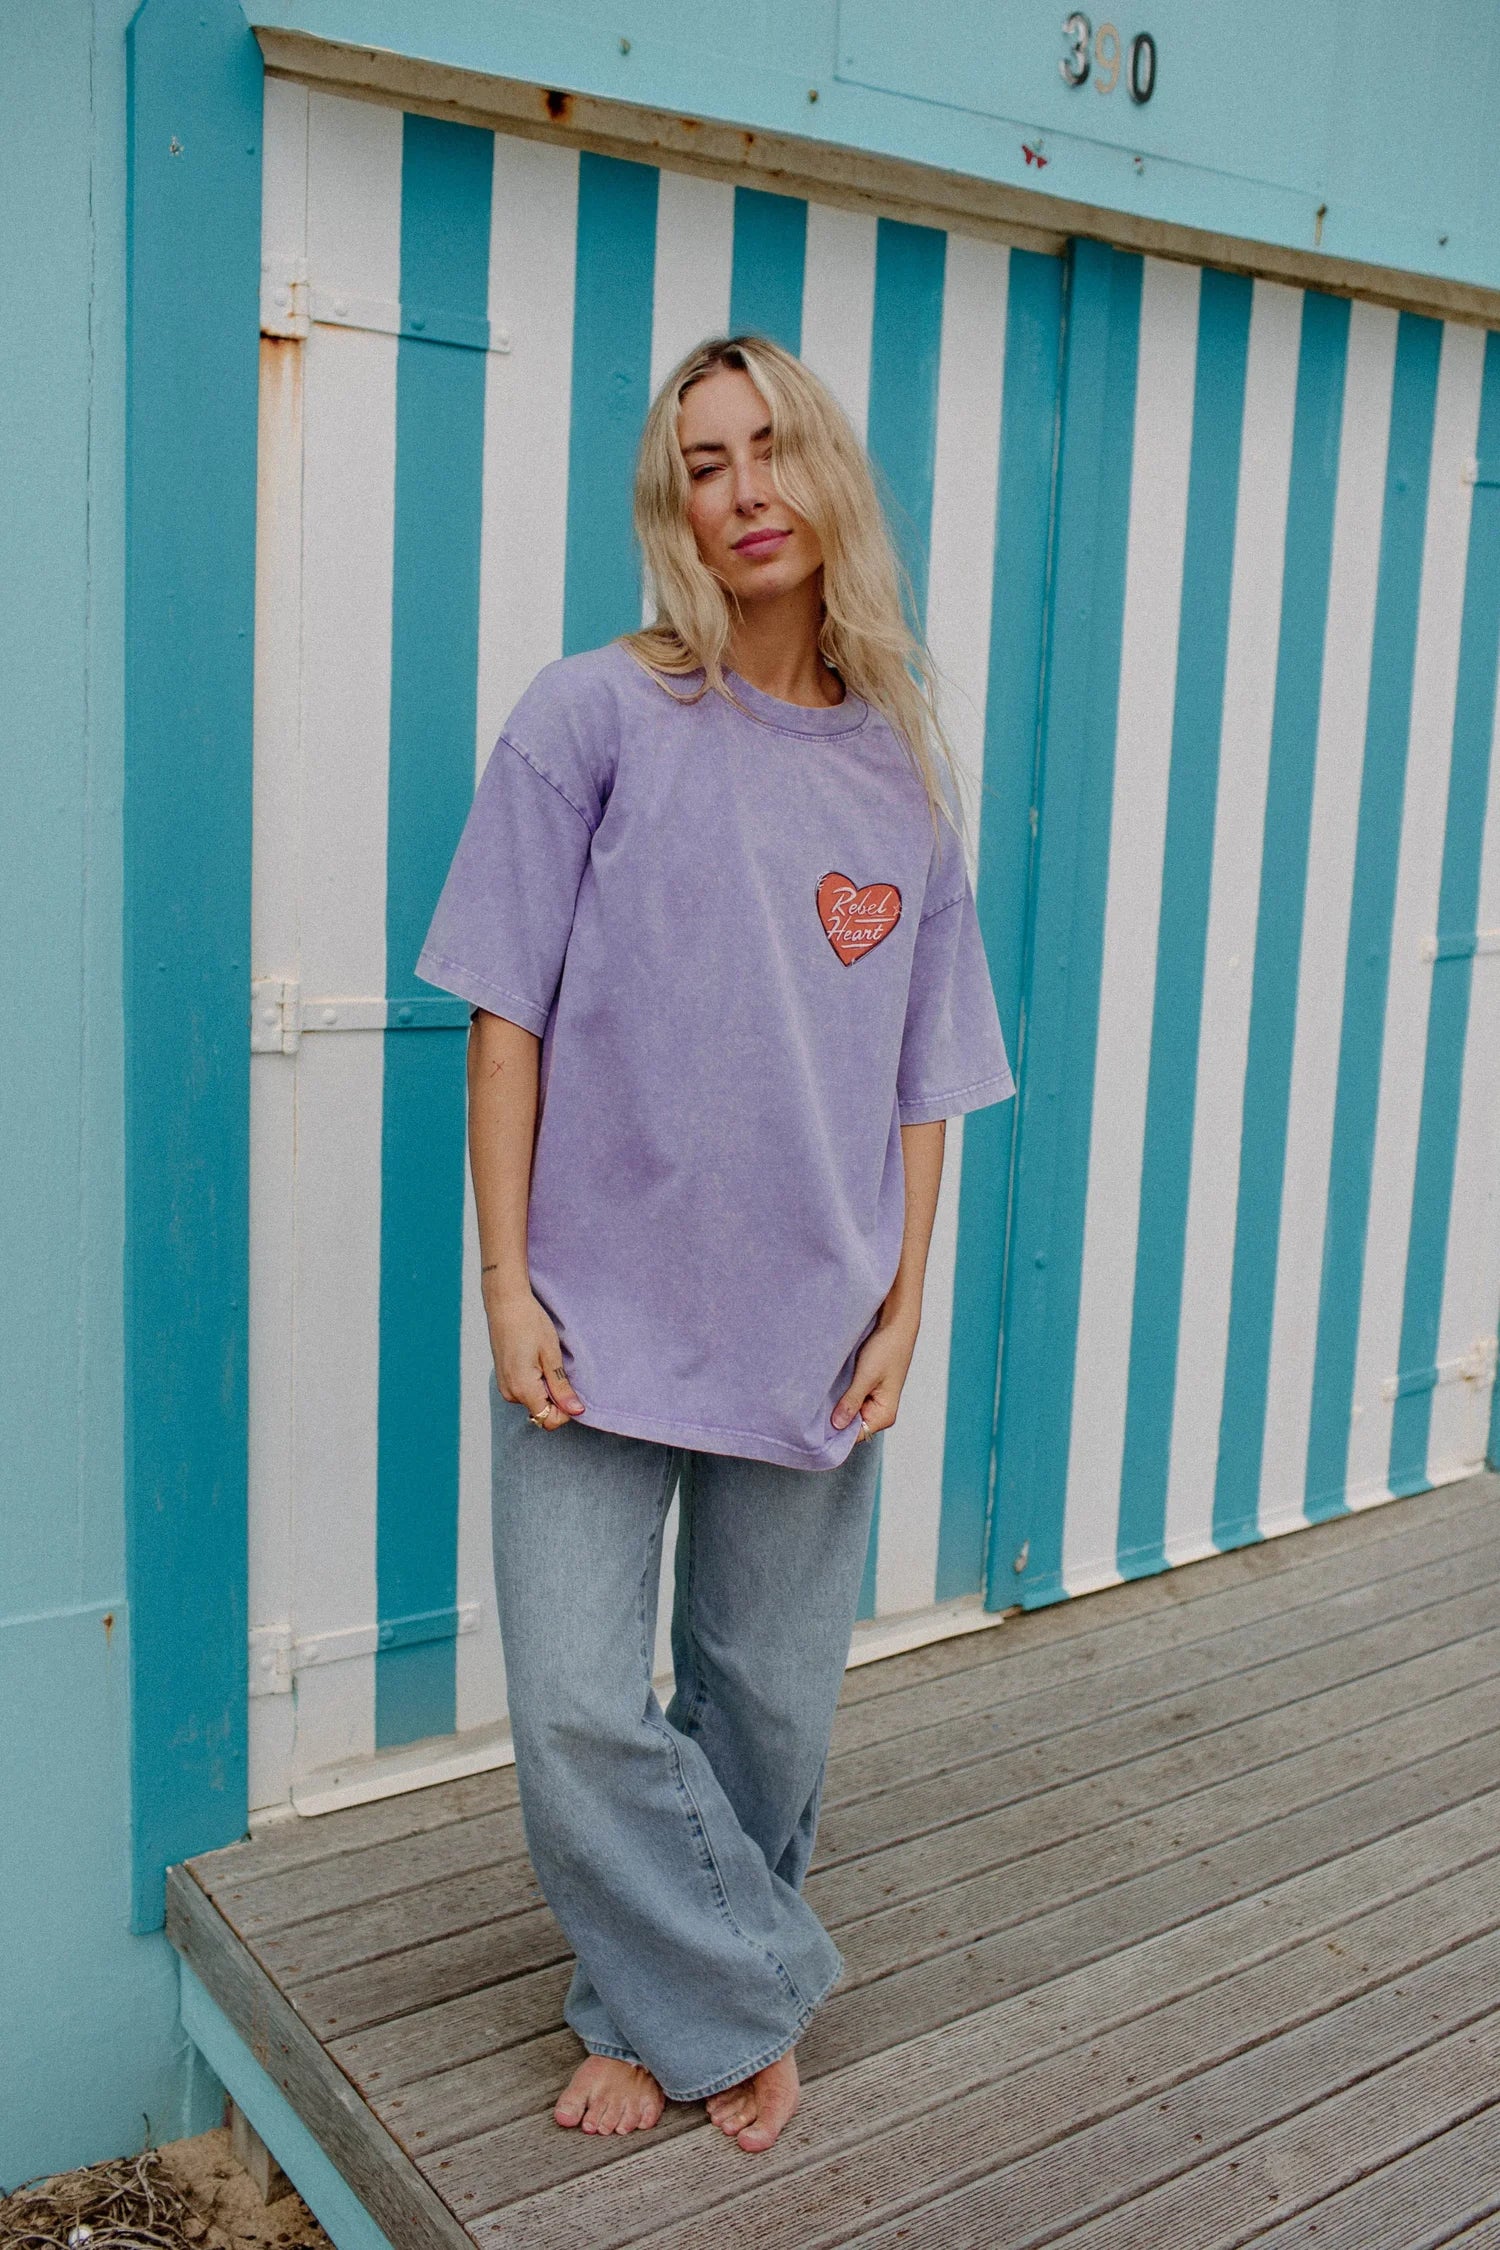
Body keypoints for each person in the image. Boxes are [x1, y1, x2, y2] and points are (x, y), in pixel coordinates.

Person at [416, 334, 1013, 2154]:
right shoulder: (590, 716)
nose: (746, 490)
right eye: (704, 461)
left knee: (764, 1706)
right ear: (671, 502)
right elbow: (502, 1014)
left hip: (812, 1318)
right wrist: (508, 1284)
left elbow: (927, 1077)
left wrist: (907, 1306)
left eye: (773, 450)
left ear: (827, 478)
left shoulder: (900, 778)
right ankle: (750, 1993)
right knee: (576, 1701)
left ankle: (645, 2015)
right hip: (590, 1315)